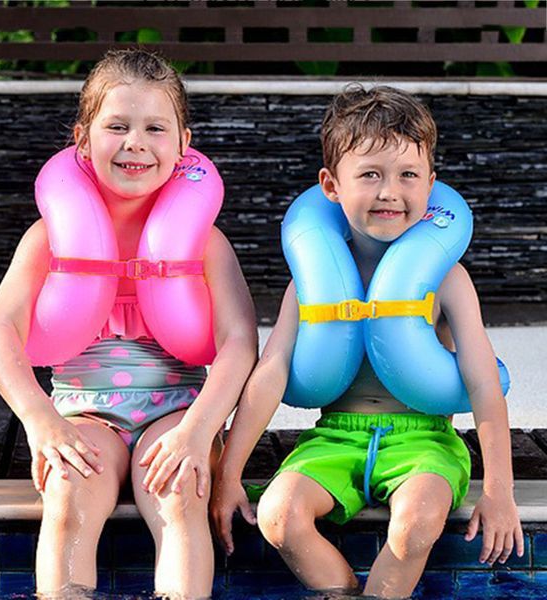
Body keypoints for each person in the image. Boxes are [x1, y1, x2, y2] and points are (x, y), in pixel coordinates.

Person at [210, 85, 523, 599]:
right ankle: (342, 592)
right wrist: (229, 475)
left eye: (407, 176)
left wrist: (499, 491)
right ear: (331, 186)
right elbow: (271, 372)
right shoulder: (311, 280)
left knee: (416, 523)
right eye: (370, 175)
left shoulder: (446, 278)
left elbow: (483, 379)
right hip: (336, 438)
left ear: (430, 186)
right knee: (279, 515)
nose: (389, 192)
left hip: (424, 443)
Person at [0, 48, 257, 598]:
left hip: (176, 413)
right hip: (86, 416)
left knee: (181, 492)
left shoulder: (204, 243)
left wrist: (199, 430)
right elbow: (0, 334)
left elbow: (239, 343)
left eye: (156, 127)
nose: (136, 142)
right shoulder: (50, 239)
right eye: (117, 126)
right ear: (82, 139)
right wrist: (39, 420)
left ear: (183, 143)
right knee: (67, 490)